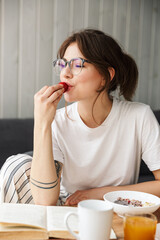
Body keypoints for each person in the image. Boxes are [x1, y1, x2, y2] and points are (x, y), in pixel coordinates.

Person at [0, 29, 160, 205]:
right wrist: (42, 123)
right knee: (16, 165)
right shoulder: (57, 121)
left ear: (106, 77)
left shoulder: (139, 116)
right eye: (63, 64)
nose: (65, 73)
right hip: (68, 207)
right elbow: (45, 201)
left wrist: (99, 193)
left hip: (117, 208)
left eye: (77, 64)